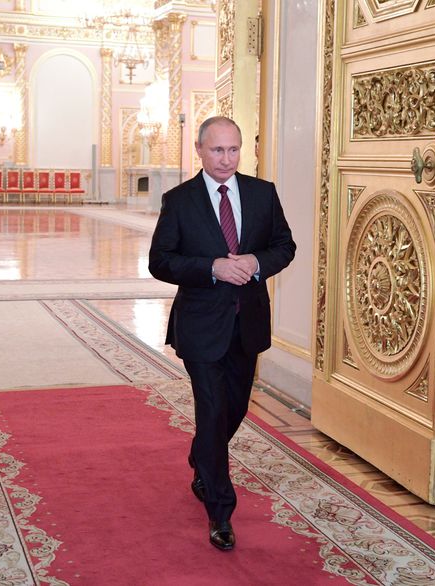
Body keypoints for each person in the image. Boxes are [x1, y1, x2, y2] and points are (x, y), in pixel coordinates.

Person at [149, 116, 295, 550]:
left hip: (246, 324)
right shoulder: (179, 201)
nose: (227, 159)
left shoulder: (262, 193)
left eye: (234, 150)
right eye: (217, 151)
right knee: (213, 412)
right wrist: (211, 268)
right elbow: (161, 261)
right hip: (199, 327)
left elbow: (284, 246)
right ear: (199, 149)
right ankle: (220, 510)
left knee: (234, 410)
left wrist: (256, 263)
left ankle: (201, 456)